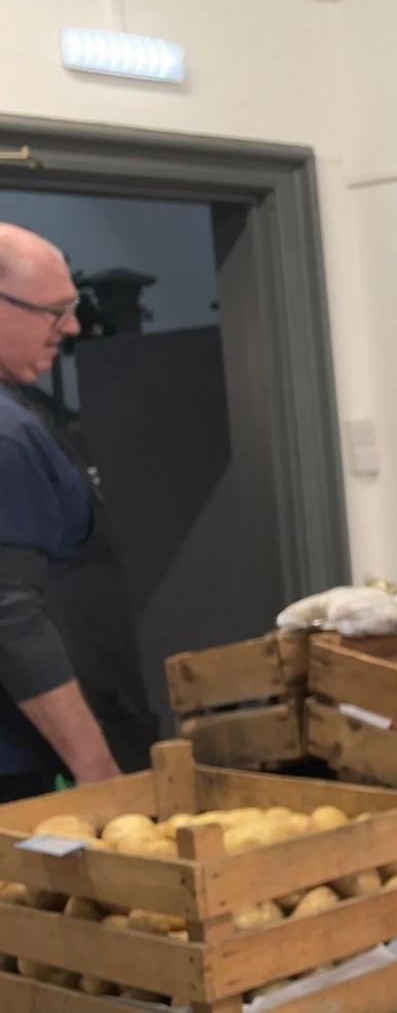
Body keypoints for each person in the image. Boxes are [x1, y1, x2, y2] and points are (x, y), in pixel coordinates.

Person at [0, 224, 153, 800]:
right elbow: (10, 616)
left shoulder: (22, 413)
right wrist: (96, 769)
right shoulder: (6, 435)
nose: (73, 327)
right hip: (20, 773)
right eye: (55, 311)